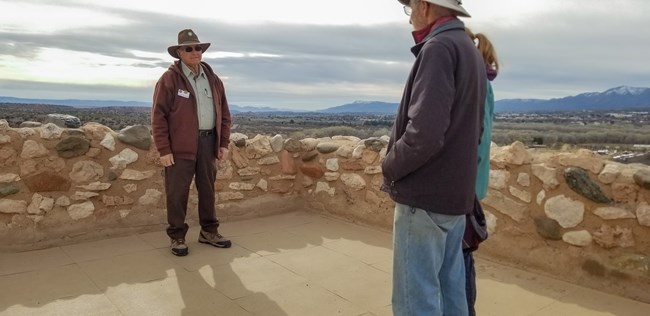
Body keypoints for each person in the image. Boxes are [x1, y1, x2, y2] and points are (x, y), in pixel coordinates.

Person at [382, 1, 486, 315]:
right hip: (454, 196)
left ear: (425, 6)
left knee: (416, 299)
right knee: (452, 291)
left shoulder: (438, 48)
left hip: (425, 196)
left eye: (409, 7)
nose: (409, 15)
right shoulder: (467, 47)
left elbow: (424, 133)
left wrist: (389, 166)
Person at [152, 28, 232, 257]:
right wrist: (164, 149)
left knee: (208, 190)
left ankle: (209, 232)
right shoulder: (169, 79)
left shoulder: (213, 79)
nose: (195, 52)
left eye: (198, 48)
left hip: (208, 143)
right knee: (177, 193)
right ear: (179, 52)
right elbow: (158, 116)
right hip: (179, 147)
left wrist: (223, 143)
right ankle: (177, 236)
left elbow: (224, 113)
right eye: (189, 48)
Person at [463, 27, 499, 316]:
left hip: (464, 189)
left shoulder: (478, 86)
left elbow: (478, 139)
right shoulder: (483, 84)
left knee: (460, 258)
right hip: (470, 187)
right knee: (461, 256)